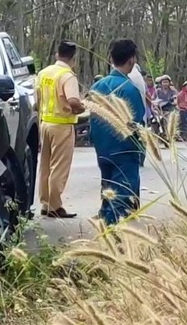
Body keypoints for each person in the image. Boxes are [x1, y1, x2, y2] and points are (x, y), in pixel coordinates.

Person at [89, 38, 146, 226]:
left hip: (102, 148)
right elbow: (136, 120)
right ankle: (115, 231)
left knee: (107, 186)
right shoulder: (130, 89)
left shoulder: (96, 87)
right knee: (122, 191)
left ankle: (105, 219)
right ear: (131, 60)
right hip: (124, 149)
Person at [35, 40, 84, 219]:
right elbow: (72, 100)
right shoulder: (67, 76)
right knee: (59, 167)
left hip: (45, 123)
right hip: (62, 125)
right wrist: (81, 108)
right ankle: (55, 206)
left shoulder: (43, 73)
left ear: (57, 54)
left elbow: (37, 101)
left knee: (45, 166)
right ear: (74, 58)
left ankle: (45, 202)